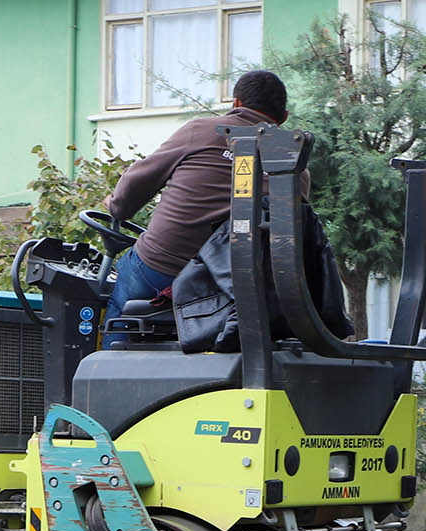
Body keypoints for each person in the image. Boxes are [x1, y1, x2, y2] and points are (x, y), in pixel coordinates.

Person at [101, 69, 294, 343]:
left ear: (236, 103)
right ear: (283, 118)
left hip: (163, 269)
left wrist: (116, 206)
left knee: (119, 306)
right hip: (233, 290)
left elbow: (135, 185)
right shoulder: (291, 163)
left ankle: (107, 367)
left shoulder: (200, 131)